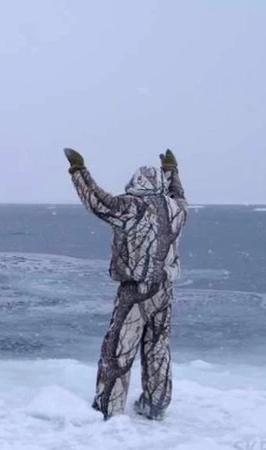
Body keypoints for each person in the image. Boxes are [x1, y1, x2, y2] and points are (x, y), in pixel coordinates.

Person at [63, 148, 187, 421]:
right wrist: (171, 170)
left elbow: (97, 201)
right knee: (158, 347)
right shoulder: (176, 208)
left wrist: (78, 170)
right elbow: (178, 194)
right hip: (164, 290)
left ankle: (109, 407)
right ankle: (156, 405)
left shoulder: (131, 207)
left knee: (118, 349)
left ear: (134, 184)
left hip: (135, 290)